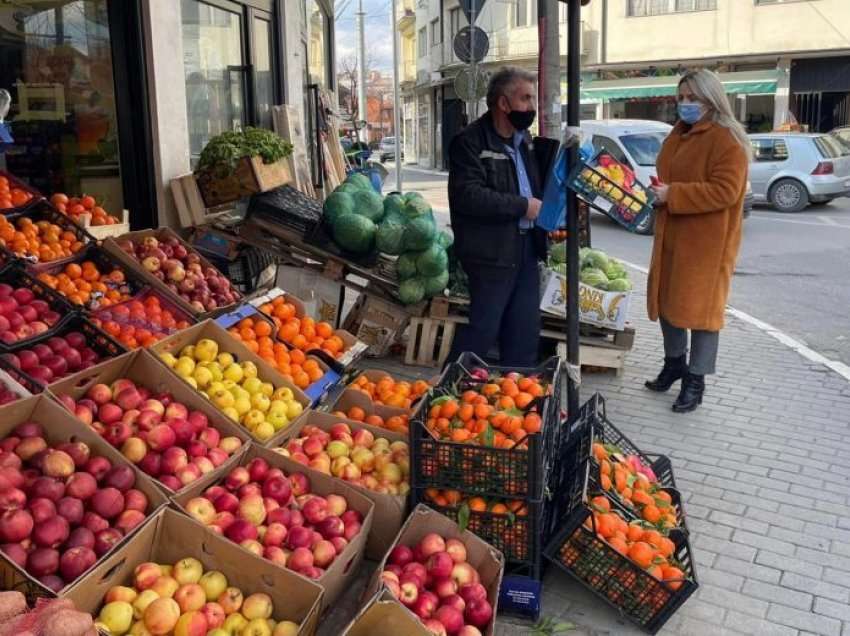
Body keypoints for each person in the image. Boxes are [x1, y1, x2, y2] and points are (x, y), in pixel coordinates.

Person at [645, 69, 751, 413]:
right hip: (672, 236)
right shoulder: (678, 133)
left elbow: (726, 190)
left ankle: (696, 379)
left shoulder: (727, 139)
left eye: (692, 98)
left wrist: (672, 194)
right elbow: (668, 175)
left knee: (703, 315)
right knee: (668, 305)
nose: (685, 104)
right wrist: (657, 192)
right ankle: (674, 363)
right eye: (681, 98)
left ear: (711, 99)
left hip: (707, 245)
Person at [446, 67, 558, 367]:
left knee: (523, 334)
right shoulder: (469, 142)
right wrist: (522, 206)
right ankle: (448, 394)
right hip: (490, 254)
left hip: (526, 251)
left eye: (533, 99)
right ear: (503, 104)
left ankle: (518, 399)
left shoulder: (527, 143)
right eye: (525, 98)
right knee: (481, 333)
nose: (531, 107)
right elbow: (467, 195)